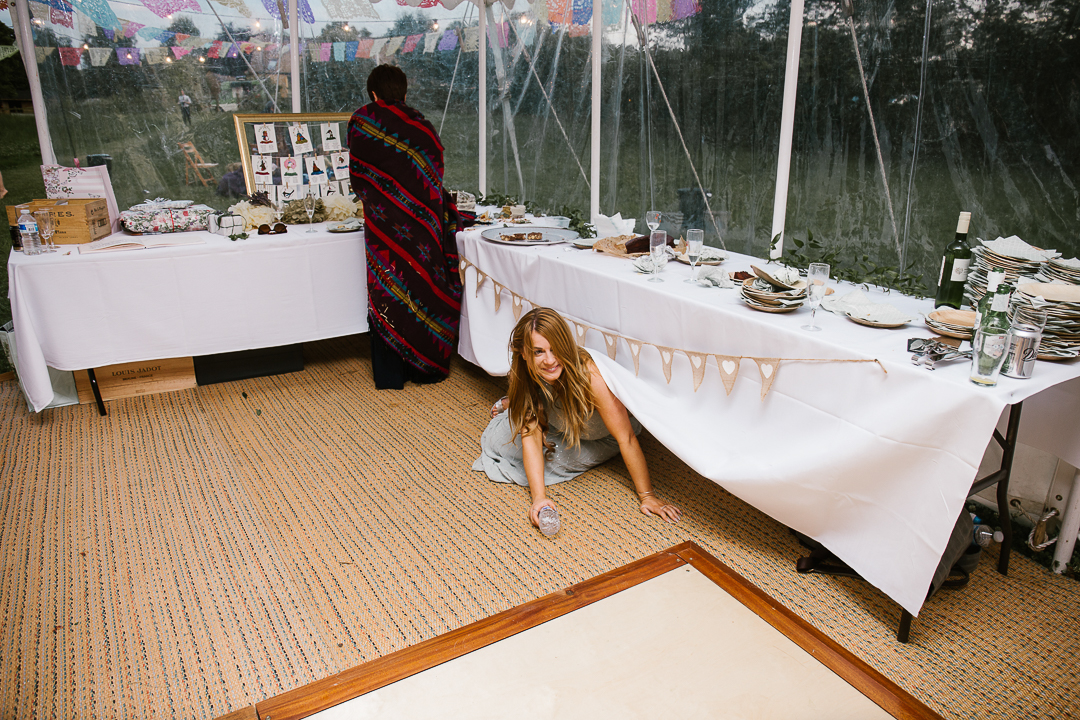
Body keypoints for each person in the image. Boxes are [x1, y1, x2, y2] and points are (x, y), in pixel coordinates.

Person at [474, 308, 682, 530]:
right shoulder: (526, 372)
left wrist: (647, 495)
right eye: (538, 352)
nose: (550, 360)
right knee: (502, 442)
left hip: (602, 436)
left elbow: (626, 438)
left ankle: (515, 405)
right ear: (523, 353)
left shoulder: (590, 374)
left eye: (556, 349)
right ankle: (516, 402)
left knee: (550, 461)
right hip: (563, 424)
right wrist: (539, 499)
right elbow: (530, 438)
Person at [348, 64, 462, 389]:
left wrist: (381, 202)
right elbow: (435, 173)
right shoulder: (423, 126)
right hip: (422, 224)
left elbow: (359, 176)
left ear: (372, 93)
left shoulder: (362, 122)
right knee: (422, 286)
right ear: (405, 91)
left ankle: (391, 374)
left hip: (383, 225)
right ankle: (423, 369)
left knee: (388, 285)